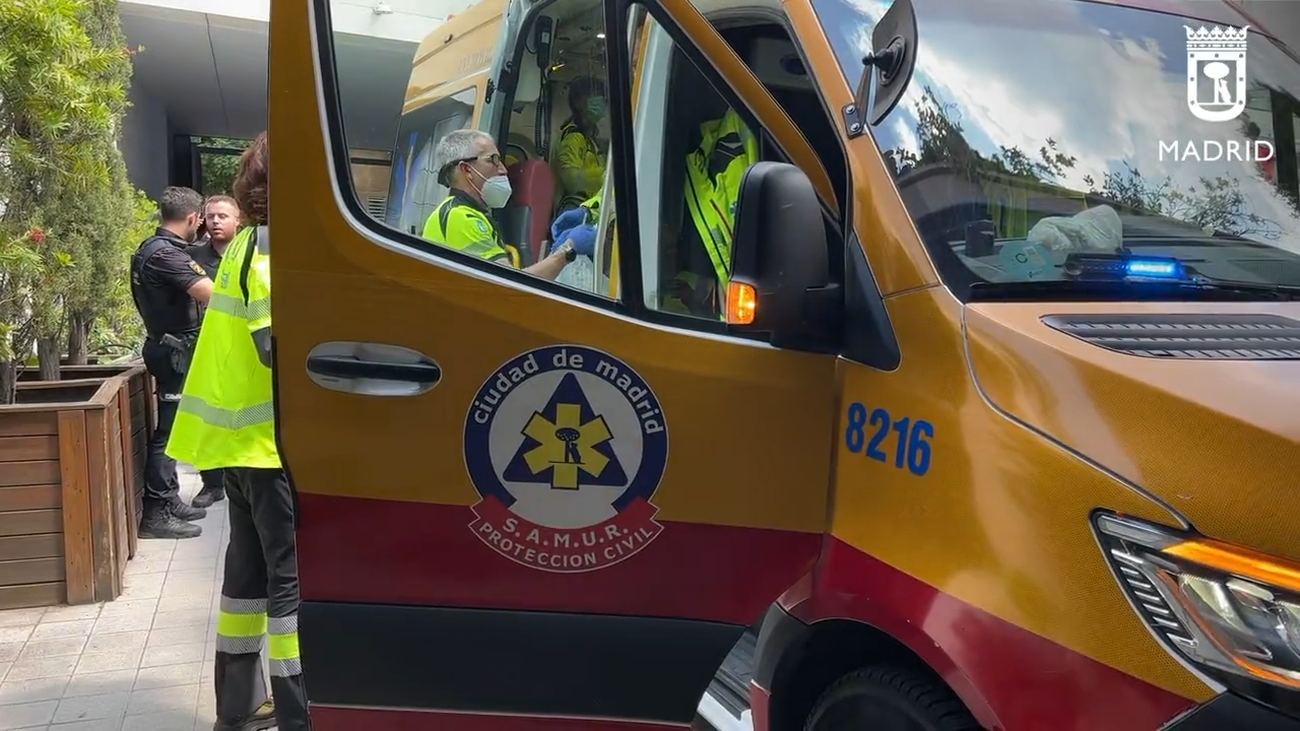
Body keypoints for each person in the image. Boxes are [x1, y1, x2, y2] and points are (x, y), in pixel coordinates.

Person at [166, 132, 308, 731]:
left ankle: (237, 707)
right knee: (287, 587)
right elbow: (276, 351)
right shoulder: (271, 250)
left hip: (239, 449)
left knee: (245, 581)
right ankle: (298, 712)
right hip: (267, 447)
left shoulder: (247, 241)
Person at [129, 185, 213, 540]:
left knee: (174, 429)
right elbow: (209, 292)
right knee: (168, 434)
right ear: (193, 218)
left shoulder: (156, 248)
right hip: (173, 351)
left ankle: (170, 497)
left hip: (170, 347)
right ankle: (157, 511)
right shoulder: (166, 255)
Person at [423, 129, 586, 279]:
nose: (503, 169)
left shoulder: (465, 212)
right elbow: (512, 285)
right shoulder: (460, 217)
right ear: (466, 170)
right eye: (493, 160)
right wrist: (567, 250)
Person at [186, 194, 242, 509]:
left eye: (223, 215)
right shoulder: (192, 256)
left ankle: (238, 476)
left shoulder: (251, 255)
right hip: (203, 345)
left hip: (240, 347)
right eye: (211, 216)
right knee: (206, 414)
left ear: (238, 220)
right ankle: (211, 483)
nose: (216, 221)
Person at [556, 76, 608, 212]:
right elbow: (570, 180)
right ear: (578, 102)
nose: (601, 101)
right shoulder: (573, 137)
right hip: (576, 208)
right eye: (596, 96)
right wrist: (606, 176)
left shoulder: (588, 138)